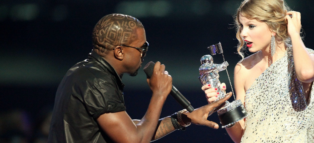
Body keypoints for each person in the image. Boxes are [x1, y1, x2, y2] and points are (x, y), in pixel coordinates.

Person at [48, 13, 232, 143]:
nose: (144, 54)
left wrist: (183, 118)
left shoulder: (85, 72)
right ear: (119, 51)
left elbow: (132, 130)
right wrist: (159, 93)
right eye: (141, 48)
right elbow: (135, 140)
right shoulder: (97, 81)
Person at [203, 0, 314, 143]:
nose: (243, 33)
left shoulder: (307, 58)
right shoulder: (243, 69)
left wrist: (294, 34)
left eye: (251, 26)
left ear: (273, 27)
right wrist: (221, 105)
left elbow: (306, 74)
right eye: (241, 26)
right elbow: (240, 136)